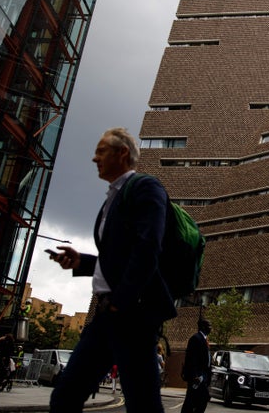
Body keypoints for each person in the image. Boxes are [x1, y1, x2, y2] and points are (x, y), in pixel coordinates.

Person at [47, 127, 177, 413]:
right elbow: (117, 258)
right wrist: (81, 261)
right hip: (107, 316)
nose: (95, 158)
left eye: (101, 150)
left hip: (131, 316)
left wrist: (121, 302)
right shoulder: (113, 199)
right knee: (65, 398)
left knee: (143, 406)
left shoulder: (145, 188)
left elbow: (148, 249)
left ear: (122, 153)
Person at [180, 319, 212, 413]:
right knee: (193, 400)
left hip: (203, 375)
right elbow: (191, 359)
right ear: (202, 327)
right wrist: (195, 376)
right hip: (197, 376)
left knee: (200, 399)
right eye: (209, 326)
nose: (211, 328)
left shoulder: (204, 339)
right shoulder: (196, 338)